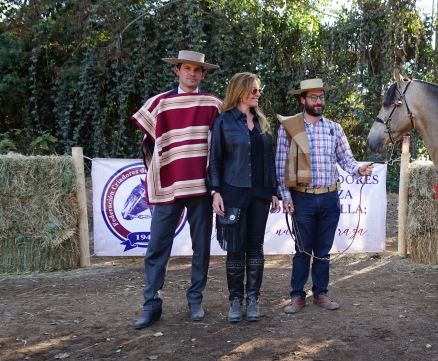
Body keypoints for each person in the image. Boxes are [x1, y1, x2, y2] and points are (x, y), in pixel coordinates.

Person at [130, 50, 223, 329]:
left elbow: (220, 146)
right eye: (186, 68)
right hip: (168, 185)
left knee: (201, 247)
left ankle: (195, 299)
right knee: (157, 246)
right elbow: (147, 142)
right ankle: (151, 305)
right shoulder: (159, 103)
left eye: (197, 69)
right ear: (177, 71)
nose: (192, 73)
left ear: (203, 74)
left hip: (201, 187)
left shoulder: (214, 104)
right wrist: (156, 169)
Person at [276, 78, 374, 314]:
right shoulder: (289, 128)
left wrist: (358, 169)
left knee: (323, 250)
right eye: (313, 97)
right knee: (302, 250)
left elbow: (346, 159)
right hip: (302, 198)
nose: (319, 101)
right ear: (303, 100)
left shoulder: (334, 128)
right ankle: (297, 296)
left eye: (321, 97)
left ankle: (320, 293)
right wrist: (285, 195)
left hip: (330, 197)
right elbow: (280, 165)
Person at [208, 73, 280, 323]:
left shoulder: (262, 122)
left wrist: (274, 190)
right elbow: (215, 159)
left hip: (260, 194)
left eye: (259, 90)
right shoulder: (224, 121)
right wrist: (215, 191)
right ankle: (235, 301)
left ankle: (253, 299)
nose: (258, 94)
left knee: (256, 248)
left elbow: (268, 159)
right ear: (240, 92)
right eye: (253, 90)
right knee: (236, 250)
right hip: (232, 194)